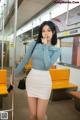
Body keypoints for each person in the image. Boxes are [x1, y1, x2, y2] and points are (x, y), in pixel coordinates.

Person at [14, 21, 61, 120]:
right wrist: (13, 75)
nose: (46, 33)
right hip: (32, 80)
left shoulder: (56, 50)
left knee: (40, 115)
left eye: (48, 30)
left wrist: (45, 46)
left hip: (45, 83)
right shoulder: (34, 44)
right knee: (32, 115)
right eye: (43, 31)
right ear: (41, 33)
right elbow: (24, 61)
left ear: (53, 32)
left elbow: (47, 65)